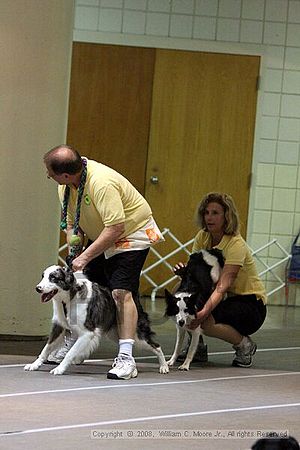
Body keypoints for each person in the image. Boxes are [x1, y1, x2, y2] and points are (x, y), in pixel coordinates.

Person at [43, 145, 164, 380]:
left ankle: (126, 359)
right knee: (82, 288)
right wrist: (74, 246)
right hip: (103, 236)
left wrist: (86, 256)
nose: (48, 176)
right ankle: (75, 341)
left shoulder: (101, 183)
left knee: (120, 292)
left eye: (50, 172)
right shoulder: (65, 188)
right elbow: (70, 223)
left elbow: (116, 227)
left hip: (132, 235)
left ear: (65, 175)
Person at [174, 192, 267, 368]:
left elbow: (222, 287)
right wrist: (183, 274)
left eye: (215, 213)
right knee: (179, 291)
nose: (209, 217)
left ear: (227, 216)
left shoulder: (236, 245)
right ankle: (197, 346)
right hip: (224, 298)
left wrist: (201, 315)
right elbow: (196, 277)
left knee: (206, 322)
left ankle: (245, 345)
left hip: (249, 304)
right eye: (206, 213)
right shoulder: (202, 237)